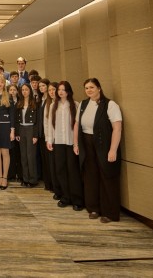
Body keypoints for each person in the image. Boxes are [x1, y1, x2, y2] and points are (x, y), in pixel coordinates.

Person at [75, 78, 123, 223]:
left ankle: (109, 213)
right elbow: (77, 125)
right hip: (86, 144)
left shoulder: (110, 105)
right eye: (86, 88)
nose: (89, 90)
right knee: (90, 177)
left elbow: (117, 128)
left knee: (107, 177)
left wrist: (113, 149)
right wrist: (76, 144)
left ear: (99, 88)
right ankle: (93, 208)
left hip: (104, 145)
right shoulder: (83, 104)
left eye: (92, 87)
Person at [48, 81, 84, 211]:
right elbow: (50, 124)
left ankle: (77, 199)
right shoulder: (53, 105)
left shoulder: (75, 105)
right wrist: (49, 140)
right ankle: (65, 197)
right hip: (58, 142)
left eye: (63, 89)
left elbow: (78, 125)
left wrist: (77, 143)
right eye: (59, 90)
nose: (60, 92)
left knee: (73, 171)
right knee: (60, 170)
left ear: (68, 91)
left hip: (71, 143)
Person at [16, 83, 39, 187]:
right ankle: (25, 178)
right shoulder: (19, 103)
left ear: (30, 90)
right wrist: (17, 133)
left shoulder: (34, 103)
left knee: (31, 156)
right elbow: (17, 120)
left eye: (26, 89)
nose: (24, 91)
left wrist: (35, 135)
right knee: (23, 156)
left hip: (31, 129)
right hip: (21, 129)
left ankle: (33, 179)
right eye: (23, 90)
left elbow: (37, 121)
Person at [45, 82, 61, 199]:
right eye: (49, 90)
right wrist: (48, 139)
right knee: (53, 165)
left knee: (60, 166)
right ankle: (57, 189)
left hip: (63, 140)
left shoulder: (71, 104)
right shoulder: (50, 104)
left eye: (53, 90)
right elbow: (47, 124)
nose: (51, 92)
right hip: (51, 139)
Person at [6, 84, 22, 183]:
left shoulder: (21, 102)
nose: (12, 91)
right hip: (9, 130)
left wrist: (17, 132)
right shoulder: (6, 102)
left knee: (19, 153)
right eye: (10, 90)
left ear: (17, 91)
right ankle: (11, 174)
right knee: (10, 153)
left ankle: (20, 174)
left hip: (19, 130)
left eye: (14, 90)